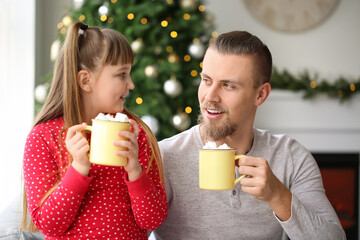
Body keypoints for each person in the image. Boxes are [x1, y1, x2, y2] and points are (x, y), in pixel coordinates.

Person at [153, 31, 346, 240]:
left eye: (228, 85)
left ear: (260, 94)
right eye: (207, 80)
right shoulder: (165, 156)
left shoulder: (290, 157)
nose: (210, 96)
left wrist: (278, 196)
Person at [21, 22, 167, 239]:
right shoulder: (43, 137)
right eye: (121, 75)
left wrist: (135, 170)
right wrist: (78, 168)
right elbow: (48, 225)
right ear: (85, 80)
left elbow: (153, 220)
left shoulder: (136, 135)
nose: (131, 84)